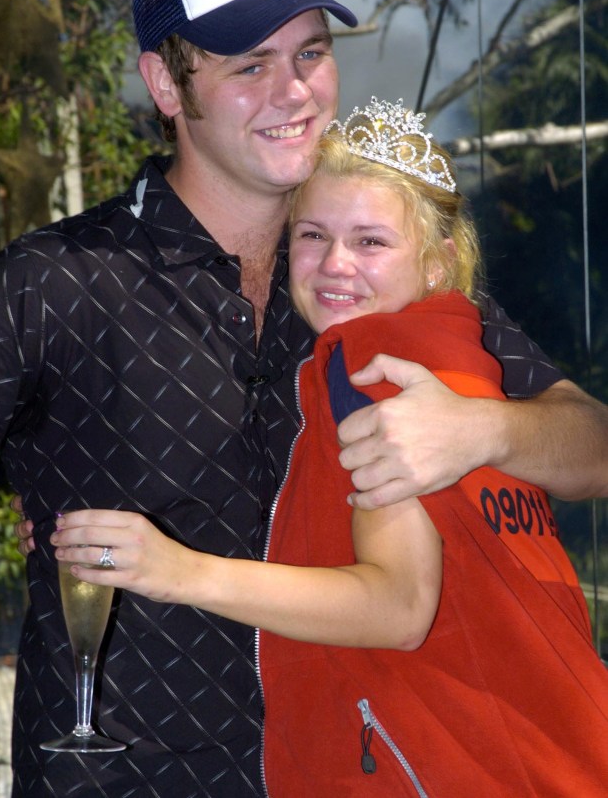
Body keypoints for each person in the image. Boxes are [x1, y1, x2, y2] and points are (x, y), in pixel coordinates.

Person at [0, 0, 605, 797]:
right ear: (164, 82)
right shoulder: (53, 282)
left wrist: (484, 430)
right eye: (249, 64)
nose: (294, 90)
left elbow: (593, 444)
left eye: (310, 53)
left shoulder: (369, 279)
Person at [50, 98, 608, 797]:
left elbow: (400, 605)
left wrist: (176, 569)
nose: (335, 263)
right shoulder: (462, 357)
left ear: (438, 263)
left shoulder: (370, 359)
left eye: (371, 241)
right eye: (313, 235)